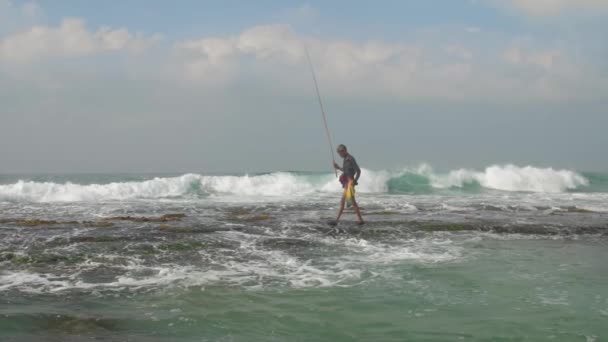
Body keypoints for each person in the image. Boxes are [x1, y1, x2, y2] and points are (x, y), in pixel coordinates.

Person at [331, 144, 364, 225]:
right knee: (350, 202)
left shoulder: (350, 159)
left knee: (346, 201)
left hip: (350, 183)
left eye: (340, 153)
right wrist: (338, 167)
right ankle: (360, 220)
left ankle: (336, 220)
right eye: (338, 153)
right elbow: (346, 171)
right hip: (346, 183)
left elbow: (358, 171)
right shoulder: (345, 159)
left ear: (344, 151)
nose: (339, 155)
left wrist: (355, 181)